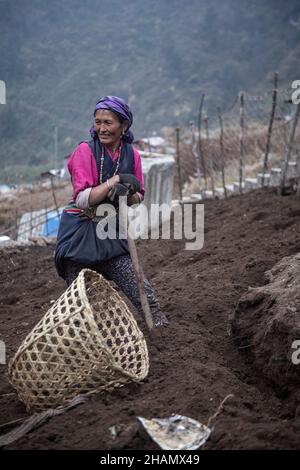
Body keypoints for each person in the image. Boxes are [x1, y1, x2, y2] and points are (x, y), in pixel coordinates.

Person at [54, 95, 168, 327]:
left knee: (140, 288)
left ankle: (161, 331)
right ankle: (84, 343)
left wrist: (128, 192)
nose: (102, 129)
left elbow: (139, 196)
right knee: (81, 301)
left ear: (123, 125)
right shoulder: (85, 151)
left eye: (108, 123)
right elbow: (83, 199)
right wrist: (112, 182)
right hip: (80, 233)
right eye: (98, 122)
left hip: (110, 231)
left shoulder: (131, 154)